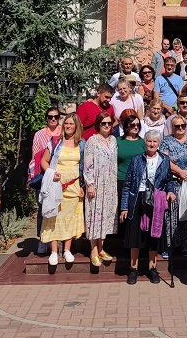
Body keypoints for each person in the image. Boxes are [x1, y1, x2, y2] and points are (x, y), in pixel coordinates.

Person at [120, 130, 176, 285]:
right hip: (138, 199)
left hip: (156, 201)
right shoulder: (137, 159)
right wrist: (124, 207)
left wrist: (170, 191)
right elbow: (128, 185)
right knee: (135, 237)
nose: (152, 144)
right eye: (149, 141)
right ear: (145, 142)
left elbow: (169, 180)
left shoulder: (164, 159)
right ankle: (133, 269)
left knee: (154, 236)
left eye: (155, 142)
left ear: (159, 144)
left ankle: (152, 268)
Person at [40, 113, 86, 266]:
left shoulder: (82, 144)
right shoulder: (55, 142)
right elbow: (44, 161)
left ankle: (67, 250)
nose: (68, 126)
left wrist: (83, 186)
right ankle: (54, 251)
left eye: (71, 124)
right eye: (66, 124)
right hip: (56, 186)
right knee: (54, 217)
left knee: (70, 218)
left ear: (76, 126)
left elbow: (86, 167)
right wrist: (52, 173)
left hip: (74, 187)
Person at [160, 116, 187, 257]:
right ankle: (170, 245)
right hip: (174, 181)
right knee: (172, 214)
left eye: (182, 126)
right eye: (177, 126)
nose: (180, 128)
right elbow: (165, 159)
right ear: (172, 127)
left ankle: (185, 244)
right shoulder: (167, 141)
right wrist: (180, 172)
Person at [84, 112, 119, 266]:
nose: (106, 126)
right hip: (96, 183)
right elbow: (88, 164)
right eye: (103, 123)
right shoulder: (92, 141)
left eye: (109, 123)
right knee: (94, 215)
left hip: (110, 184)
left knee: (105, 216)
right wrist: (90, 183)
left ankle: (101, 248)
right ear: (98, 124)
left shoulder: (113, 140)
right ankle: (93, 250)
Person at [29, 107, 63, 255]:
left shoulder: (64, 132)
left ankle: (57, 241)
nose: (53, 119)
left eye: (56, 116)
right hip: (44, 175)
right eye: (50, 117)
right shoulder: (39, 135)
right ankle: (43, 240)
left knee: (59, 209)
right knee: (42, 208)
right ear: (46, 118)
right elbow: (35, 157)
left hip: (61, 175)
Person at [117, 115, 146, 214]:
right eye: (132, 125)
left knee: (135, 212)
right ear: (126, 126)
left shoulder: (143, 142)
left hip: (138, 181)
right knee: (121, 211)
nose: (136, 127)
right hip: (121, 179)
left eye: (138, 125)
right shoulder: (118, 141)